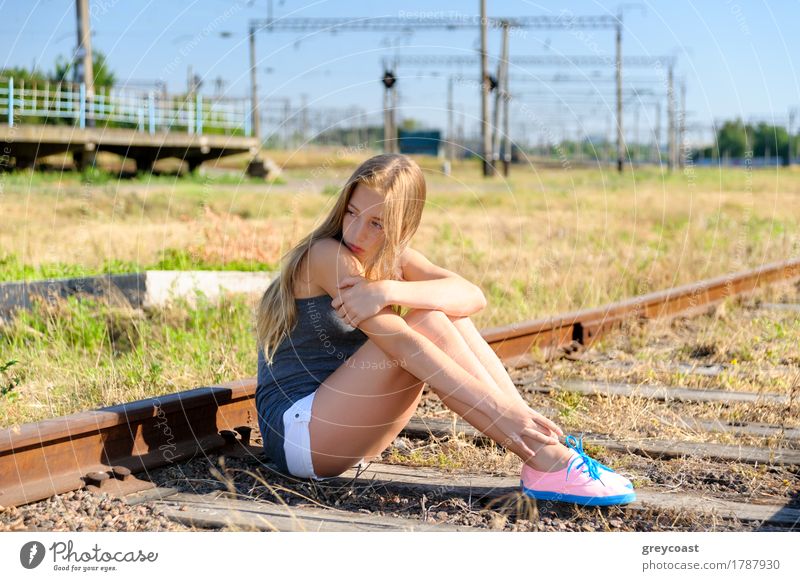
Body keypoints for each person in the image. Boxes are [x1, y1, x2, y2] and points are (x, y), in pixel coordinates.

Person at [255, 153, 635, 506]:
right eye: (352, 213)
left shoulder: (394, 260)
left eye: (376, 223)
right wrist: (502, 413)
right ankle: (540, 450)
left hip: (342, 426)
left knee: (440, 315)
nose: (357, 233)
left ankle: (545, 447)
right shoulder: (327, 254)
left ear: (402, 227)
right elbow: (403, 345)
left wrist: (388, 289)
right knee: (423, 325)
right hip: (298, 433)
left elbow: (471, 296)